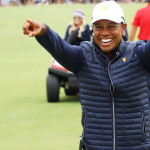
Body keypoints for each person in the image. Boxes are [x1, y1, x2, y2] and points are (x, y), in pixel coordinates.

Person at [23, 1, 150, 150]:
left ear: (123, 28)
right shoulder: (83, 56)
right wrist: (44, 31)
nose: (104, 32)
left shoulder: (140, 54)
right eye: (98, 27)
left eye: (111, 26)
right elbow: (61, 49)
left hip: (138, 146)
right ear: (92, 29)